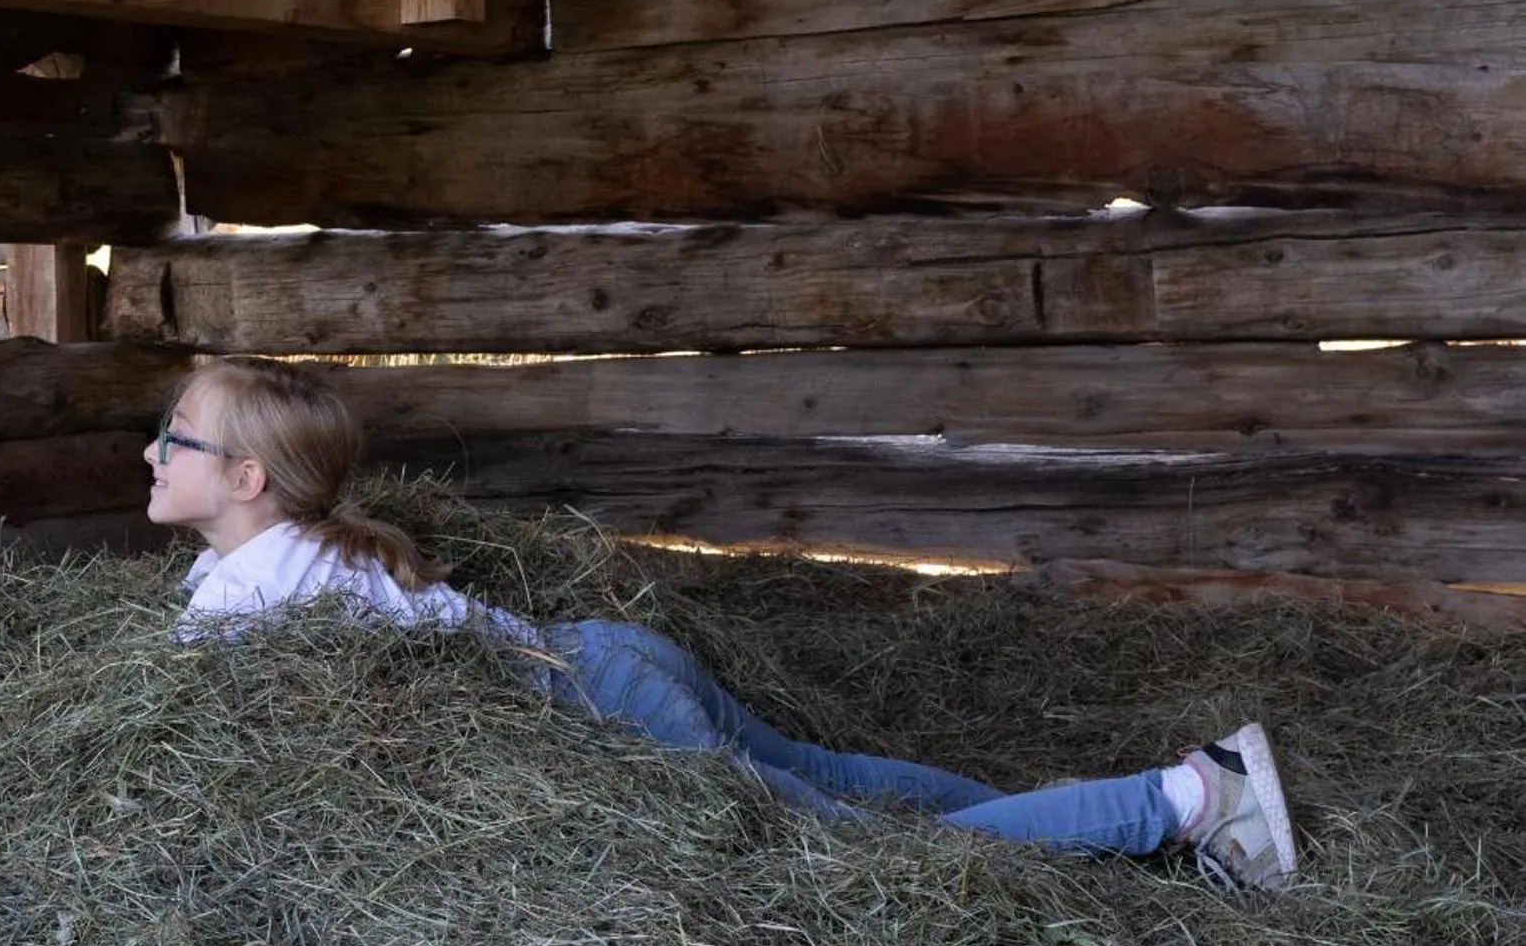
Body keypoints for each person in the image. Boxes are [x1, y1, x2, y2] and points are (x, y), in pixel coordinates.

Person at [144, 356, 1300, 891]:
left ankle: (1189, 798)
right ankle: (1145, 809)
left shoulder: (264, 589)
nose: (151, 450)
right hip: (610, 654)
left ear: (247, 479)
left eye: (175, 437)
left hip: (598, 704)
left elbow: (195, 714)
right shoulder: (295, 554)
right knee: (835, 777)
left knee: (865, 852)